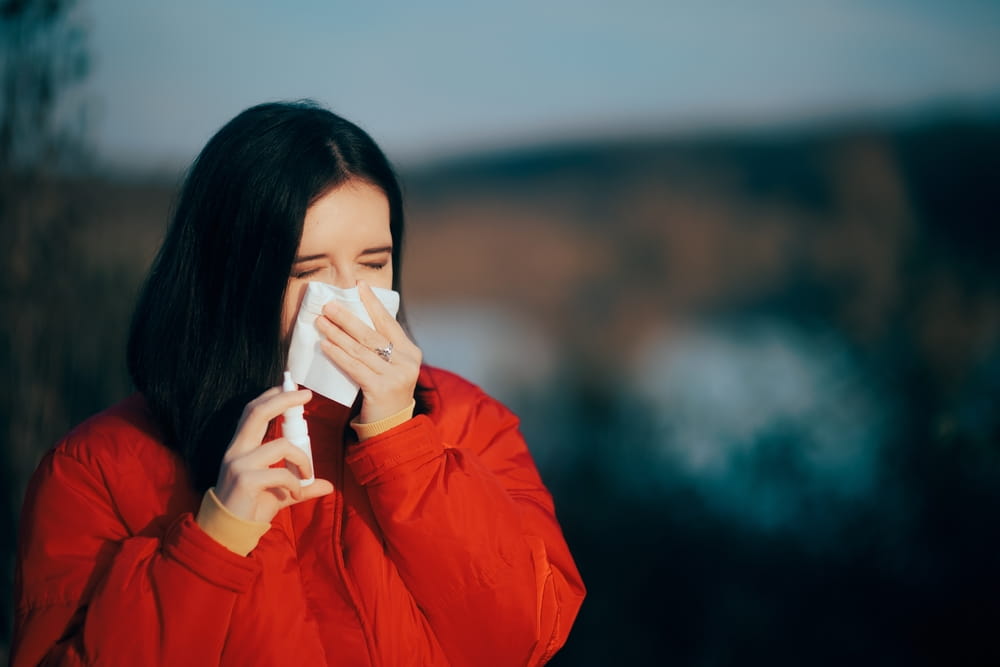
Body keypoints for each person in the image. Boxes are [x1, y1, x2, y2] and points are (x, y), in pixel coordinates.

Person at [12, 101, 585, 665]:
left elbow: (529, 636)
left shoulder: (465, 419)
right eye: (306, 270)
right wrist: (214, 542)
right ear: (229, 277)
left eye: (373, 263)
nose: (347, 298)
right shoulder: (97, 471)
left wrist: (405, 449)